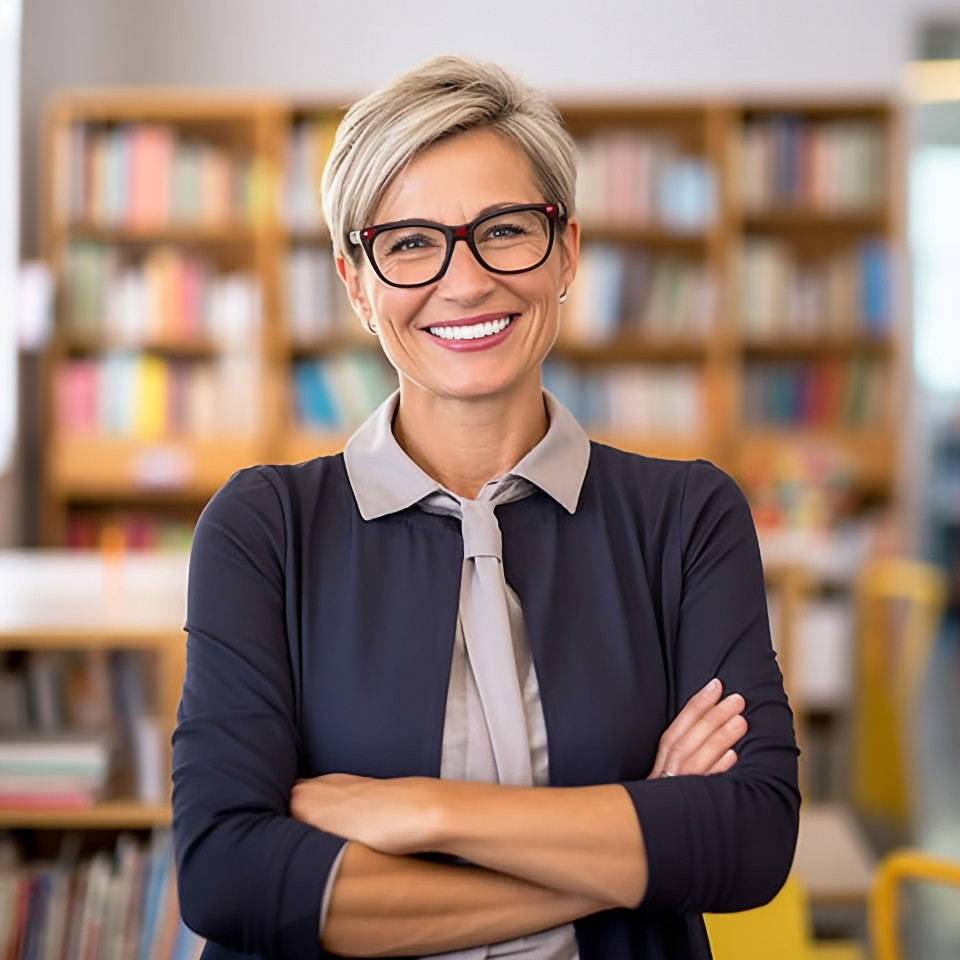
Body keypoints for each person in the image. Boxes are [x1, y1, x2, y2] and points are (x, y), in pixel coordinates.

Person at [171, 56, 800, 960]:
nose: (464, 282)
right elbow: (229, 876)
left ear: (568, 250)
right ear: (357, 282)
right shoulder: (265, 528)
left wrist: (419, 812)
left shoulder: (687, 517)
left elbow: (745, 842)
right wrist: (639, 844)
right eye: (410, 242)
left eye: (504, 230)